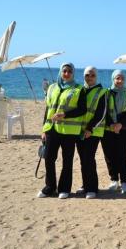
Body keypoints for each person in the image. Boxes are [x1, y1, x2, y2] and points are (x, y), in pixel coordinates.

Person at [37, 63, 87, 199]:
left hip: (69, 131)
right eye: (64, 71)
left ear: (73, 73)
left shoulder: (79, 89)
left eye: (69, 71)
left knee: (67, 160)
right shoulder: (52, 87)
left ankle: (64, 188)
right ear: (60, 72)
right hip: (51, 129)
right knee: (48, 158)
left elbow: (82, 109)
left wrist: (65, 114)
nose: (66, 74)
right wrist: (44, 129)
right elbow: (48, 109)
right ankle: (50, 187)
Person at [76, 66, 107, 199]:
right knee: (83, 159)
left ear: (96, 76)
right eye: (87, 75)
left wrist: (90, 129)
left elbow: (102, 113)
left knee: (89, 159)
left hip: (93, 131)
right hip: (79, 131)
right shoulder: (80, 90)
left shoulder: (102, 91)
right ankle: (85, 185)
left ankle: (92, 188)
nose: (89, 77)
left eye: (92, 75)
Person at [102, 70, 126, 194]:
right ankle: (114, 179)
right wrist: (111, 124)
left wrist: (120, 124)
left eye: (121, 78)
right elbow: (104, 110)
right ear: (113, 79)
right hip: (108, 129)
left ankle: (124, 181)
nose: (119, 81)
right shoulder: (107, 93)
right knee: (110, 155)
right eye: (117, 78)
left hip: (124, 128)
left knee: (123, 155)